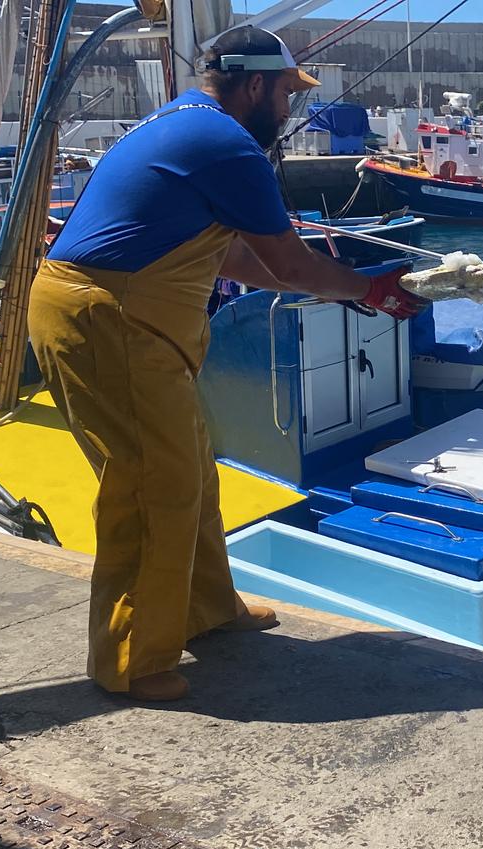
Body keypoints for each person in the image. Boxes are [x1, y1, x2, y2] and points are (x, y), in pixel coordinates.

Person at [28, 26, 427, 702]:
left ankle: (206, 609)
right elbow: (293, 263)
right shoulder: (226, 144)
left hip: (118, 319)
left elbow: (240, 259)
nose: (290, 109)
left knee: (189, 474)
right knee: (152, 487)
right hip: (109, 319)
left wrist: (349, 289)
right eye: (285, 94)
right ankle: (130, 660)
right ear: (254, 86)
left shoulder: (189, 126)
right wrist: (370, 291)